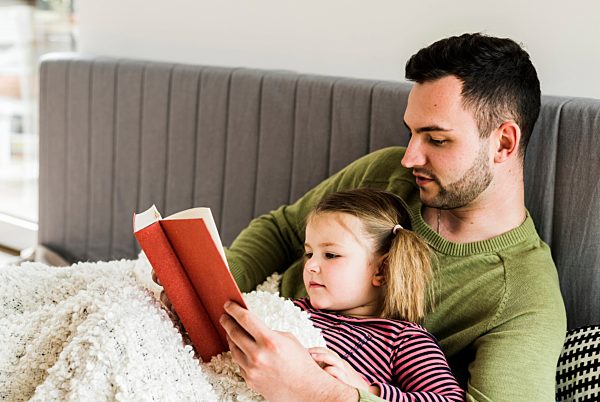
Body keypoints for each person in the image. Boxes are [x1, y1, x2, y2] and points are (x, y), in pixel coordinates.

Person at [217, 33, 567, 402]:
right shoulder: (385, 174)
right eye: (412, 133)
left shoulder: (525, 297)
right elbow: (282, 229)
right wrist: (215, 292)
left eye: (436, 139)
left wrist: (317, 391)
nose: (409, 157)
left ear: (503, 143)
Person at [294, 188, 464, 401]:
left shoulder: (402, 340)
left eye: (331, 255)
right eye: (309, 253)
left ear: (382, 270)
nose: (310, 265)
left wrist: (366, 390)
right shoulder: (294, 310)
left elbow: (450, 399)